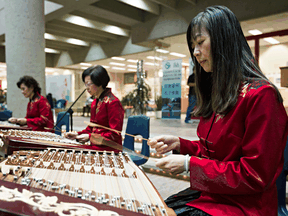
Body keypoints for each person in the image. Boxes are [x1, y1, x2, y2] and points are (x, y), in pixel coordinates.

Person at [148, 5, 288, 216]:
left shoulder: (261, 95)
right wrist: (180, 144)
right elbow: (217, 153)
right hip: (212, 195)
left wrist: (189, 164)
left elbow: (254, 175)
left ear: (224, 40)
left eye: (200, 42)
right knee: (153, 208)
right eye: (193, 46)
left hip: (244, 206)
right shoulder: (222, 92)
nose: (195, 52)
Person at [64, 65, 124, 152]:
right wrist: (77, 134)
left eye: (89, 84)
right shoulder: (95, 102)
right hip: (96, 147)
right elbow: (91, 128)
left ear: (99, 83)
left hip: (109, 150)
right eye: (85, 84)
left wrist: (90, 137)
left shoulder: (113, 102)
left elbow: (115, 134)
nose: (87, 88)